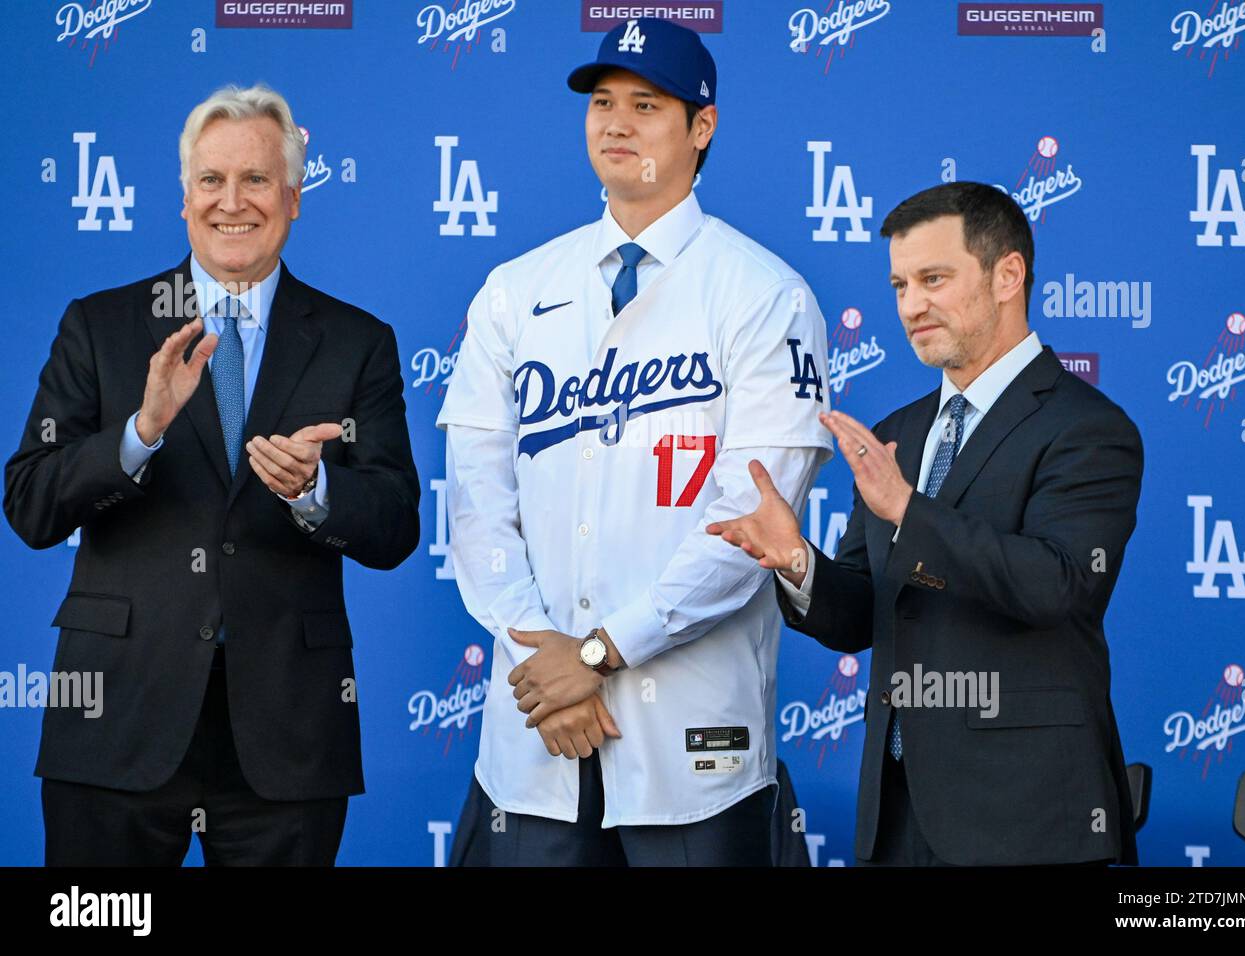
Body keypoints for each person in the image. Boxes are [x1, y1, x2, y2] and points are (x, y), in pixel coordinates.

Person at [438, 17, 832, 866]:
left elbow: (750, 523)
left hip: (693, 740)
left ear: (702, 127)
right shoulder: (515, 290)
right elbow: (474, 506)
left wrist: (601, 652)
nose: (615, 123)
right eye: (602, 103)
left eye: (646, 104)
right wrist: (548, 659)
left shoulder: (766, 295)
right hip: (538, 729)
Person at [3, 84, 421, 866]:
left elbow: (397, 523)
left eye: (257, 179)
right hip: (116, 725)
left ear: (294, 197)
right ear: (185, 198)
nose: (233, 202)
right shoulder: (100, 326)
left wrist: (315, 491)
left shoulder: (357, 341)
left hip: (288, 741)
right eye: (211, 181)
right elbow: (29, 505)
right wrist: (140, 431)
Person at [709, 181, 1143, 866]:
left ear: (1008, 276)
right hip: (898, 815)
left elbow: (1058, 585)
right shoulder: (898, 433)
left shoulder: (1088, 429)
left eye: (934, 279)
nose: (911, 306)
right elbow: (861, 614)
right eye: (900, 285)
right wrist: (798, 562)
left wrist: (909, 511)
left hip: (1029, 820)